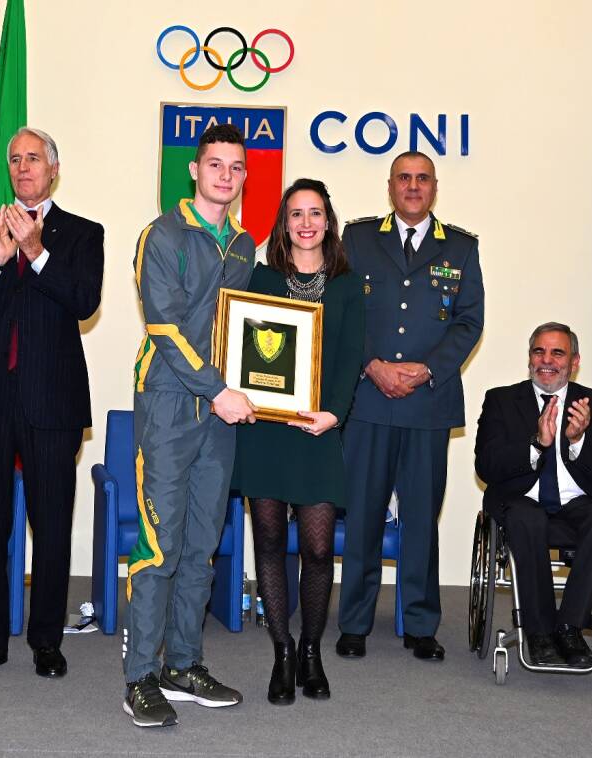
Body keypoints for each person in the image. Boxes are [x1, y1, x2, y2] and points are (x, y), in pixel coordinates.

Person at [0, 127, 104, 679]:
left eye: (33, 158)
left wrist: (35, 252)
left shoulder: (82, 235)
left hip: (51, 402)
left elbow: (83, 302)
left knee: (52, 527)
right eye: (15, 160)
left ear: (54, 169)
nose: (23, 167)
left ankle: (46, 642)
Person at [124, 123, 257, 728]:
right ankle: (140, 677)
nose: (224, 176)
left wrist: (252, 389)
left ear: (243, 177)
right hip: (172, 404)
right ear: (194, 170)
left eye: (235, 167)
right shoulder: (163, 234)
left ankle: (184, 663)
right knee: (161, 544)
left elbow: (249, 332)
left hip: (221, 414)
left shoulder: (244, 244)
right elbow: (165, 327)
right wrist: (220, 390)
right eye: (215, 165)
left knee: (202, 546)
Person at [336, 151, 484, 663]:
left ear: (435, 187)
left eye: (423, 179)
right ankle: (353, 622)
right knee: (363, 518)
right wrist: (370, 365)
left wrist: (425, 370)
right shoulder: (356, 240)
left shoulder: (462, 248)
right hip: (368, 402)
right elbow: (341, 312)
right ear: (390, 186)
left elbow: (469, 322)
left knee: (421, 518)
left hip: (427, 404)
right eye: (405, 178)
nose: (413, 186)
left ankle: (420, 625)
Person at [232, 179, 364, 704]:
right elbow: (242, 345)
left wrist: (333, 414)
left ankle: (312, 649)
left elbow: (352, 356)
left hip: (318, 430)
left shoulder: (349, 286)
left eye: (314, 214)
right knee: (267, 542)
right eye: (295, 215)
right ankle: (282, 652)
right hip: (266, 431)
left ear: (328, 222)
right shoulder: (260, 279)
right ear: (283, 225)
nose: (306, 223)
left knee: (315, 547)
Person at [474, 322, 592, 666]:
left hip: (576, 502)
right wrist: (537, 444)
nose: (547, 360)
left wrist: (576, 441)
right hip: (521, 500)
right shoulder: (501, 400)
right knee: (528, 517)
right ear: (529, 358)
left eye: (558, 352)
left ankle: (569, 627)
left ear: (574, 361)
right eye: (539, 351)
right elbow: (488, 467)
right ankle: (539, 632)